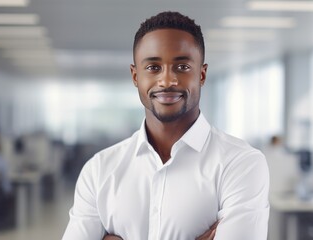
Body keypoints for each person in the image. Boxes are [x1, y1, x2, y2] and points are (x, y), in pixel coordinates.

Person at [62, 11, 269, 240]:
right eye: (153, 67)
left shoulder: (240, 163)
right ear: (135, 76)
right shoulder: (99, 170)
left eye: (182, 67)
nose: (167, 80)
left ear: (202, 74)